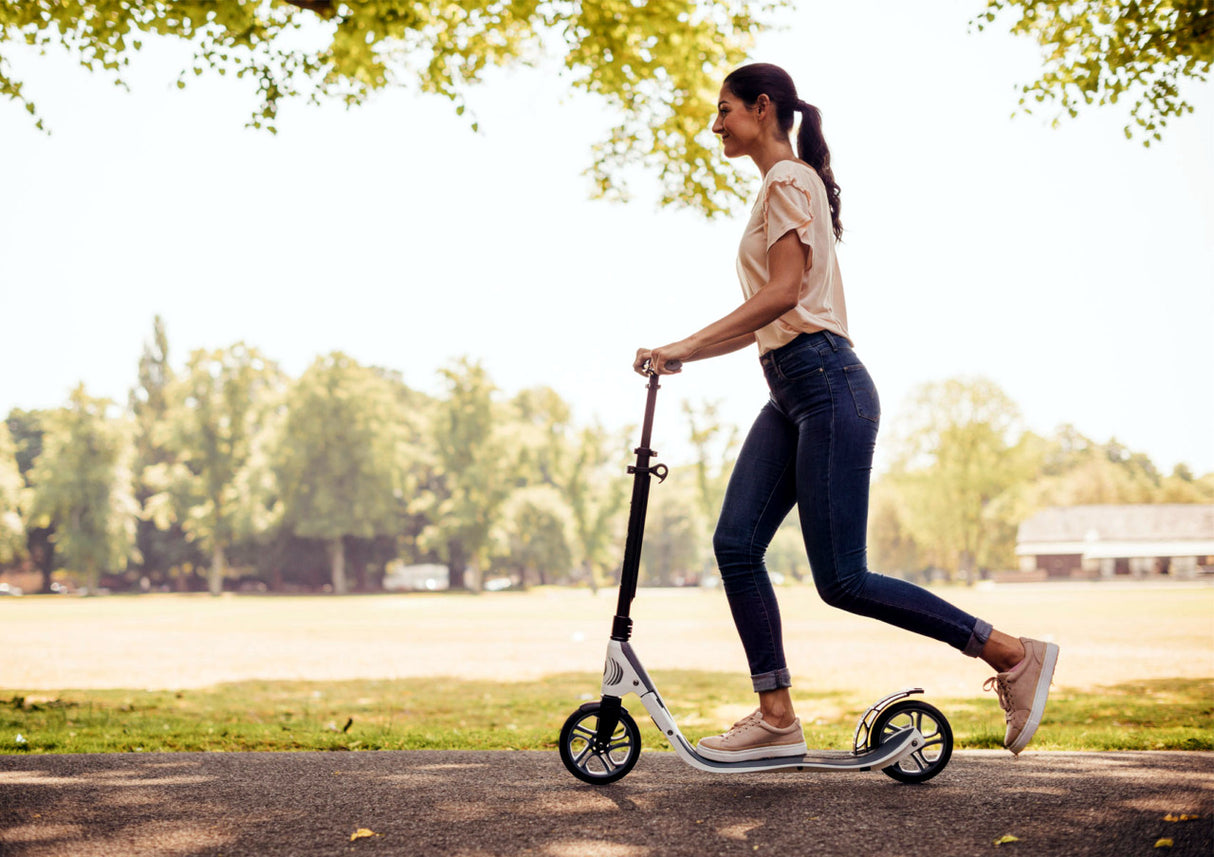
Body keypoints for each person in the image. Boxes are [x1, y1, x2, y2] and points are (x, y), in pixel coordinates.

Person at [632, 62, 1058, 761]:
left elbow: (784, 293)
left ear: (762, 108)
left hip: (826, 380)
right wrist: (688, 353)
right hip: (792, 385)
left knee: (843, 579)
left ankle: (1012, 653)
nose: (715, 126)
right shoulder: (782, 186)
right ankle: (776, 717)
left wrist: (685, 339)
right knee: (735, 545)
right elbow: (768, 312)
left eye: (725, 111)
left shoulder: (788, 180)